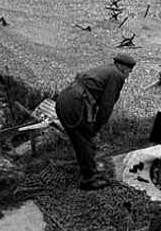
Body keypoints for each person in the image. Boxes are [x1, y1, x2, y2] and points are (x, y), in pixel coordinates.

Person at [55, 53, 136, 190]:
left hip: (64, 99)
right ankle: (89, 179)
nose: (128, 75)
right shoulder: (117, 75)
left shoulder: (107, 69)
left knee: (80, 138)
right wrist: (97, 126)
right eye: (129, 71)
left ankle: (88, 166)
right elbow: (106, 105)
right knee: (84, 138)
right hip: (74, 103)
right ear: (123, 67)